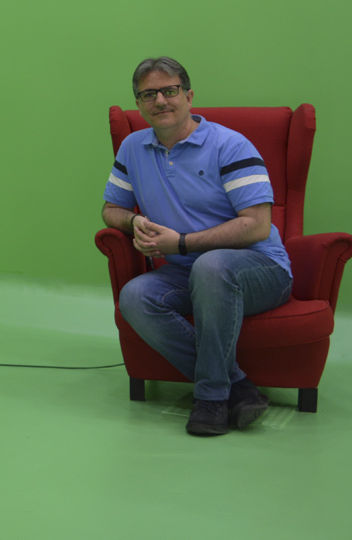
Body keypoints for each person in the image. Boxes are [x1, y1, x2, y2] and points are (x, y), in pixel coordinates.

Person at [102, 56, 292, 436]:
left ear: (189, 96)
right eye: (149, 94)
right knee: (136, 296)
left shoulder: (231, 145)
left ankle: (211, 399)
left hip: (260, 270)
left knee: (212, 266)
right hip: (189, 273)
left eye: (169, 90)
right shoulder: (132, 148)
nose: (160, 100)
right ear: (139, 104)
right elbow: (110, 210)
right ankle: (238, 387)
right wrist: (133, 221)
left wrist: (181, 243)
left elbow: (257, 226)